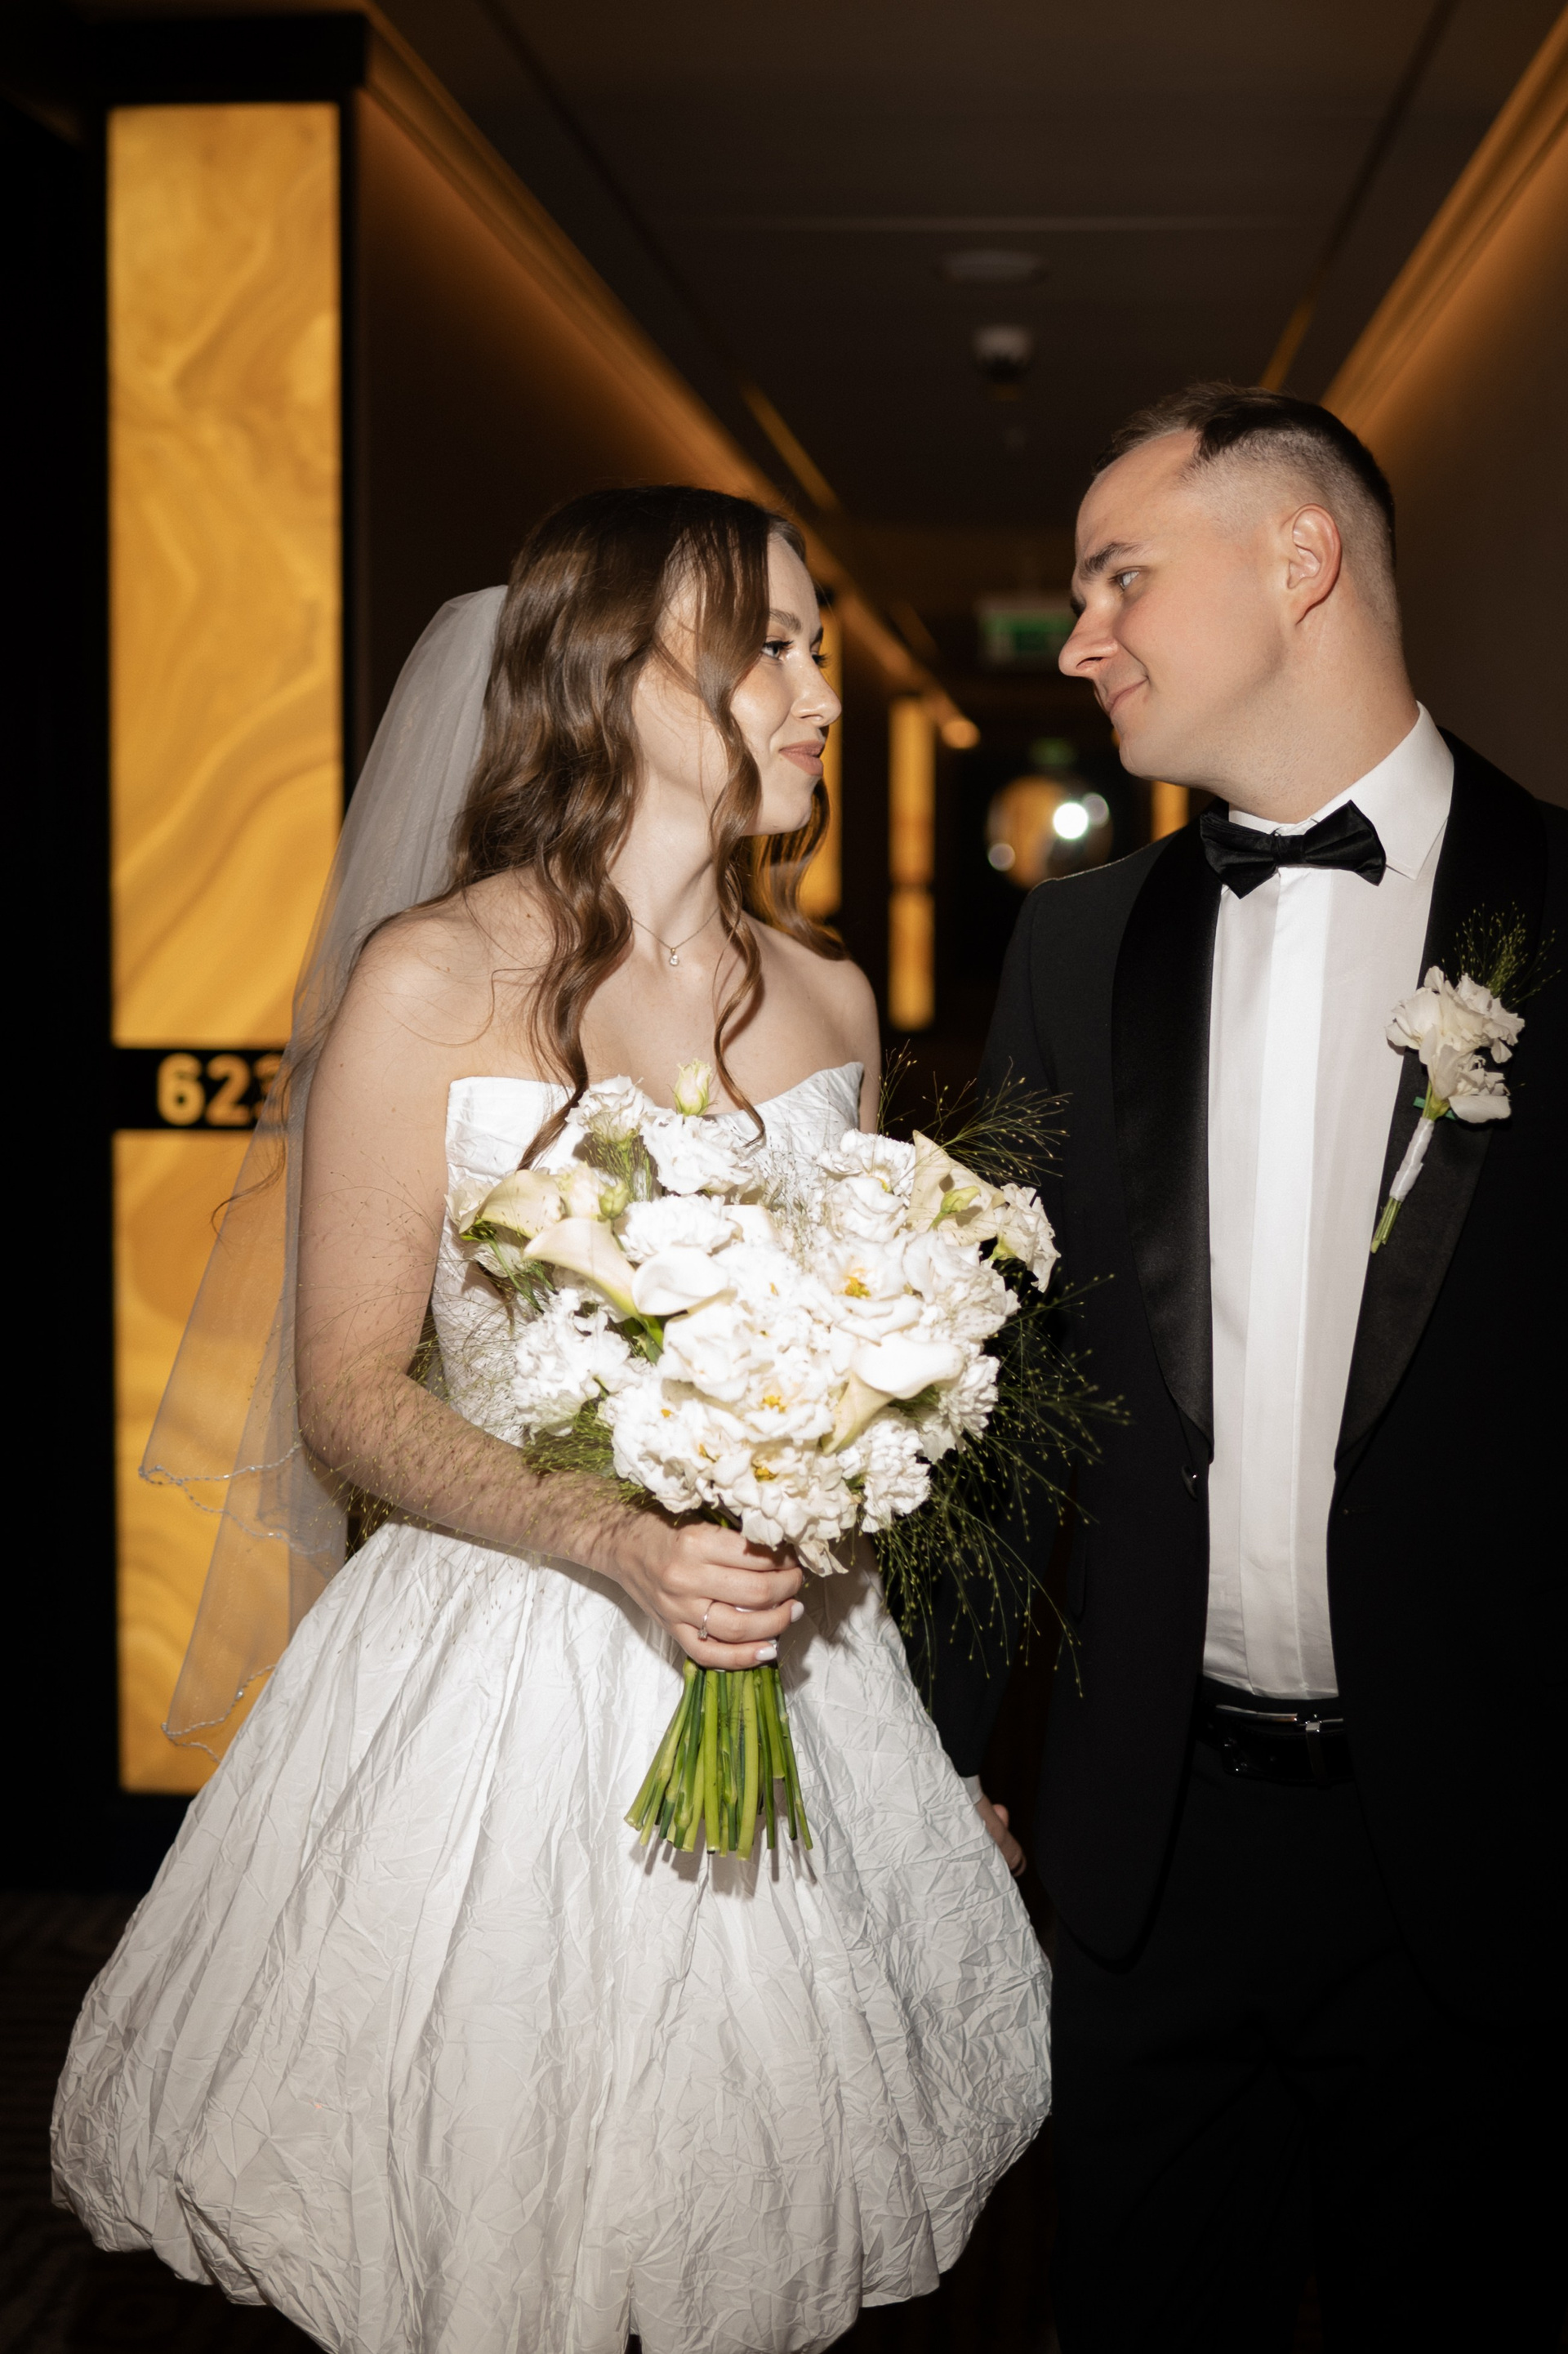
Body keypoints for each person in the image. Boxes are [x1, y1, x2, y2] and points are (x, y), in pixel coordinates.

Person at [53, 486, 1049, 2354]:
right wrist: (612, 1534)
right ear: (616, 676)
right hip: (500, 1673)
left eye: (818, 647)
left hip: (797, 1666)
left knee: (767, 2213)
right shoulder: (432, 978)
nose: (822, 693)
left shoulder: (831, 991)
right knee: (485, 2208)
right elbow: (348, 1390)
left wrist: (925, 1744)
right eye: (772, 648)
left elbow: (861, 1400)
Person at [934, 386, 1566, 2349]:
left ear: (1303, 560)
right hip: (1150, 1849)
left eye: (1119, 579)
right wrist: (939, 1759)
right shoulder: (1073, 950)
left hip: (1490, 1854)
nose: (1082, 639)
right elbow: (992, 1393)